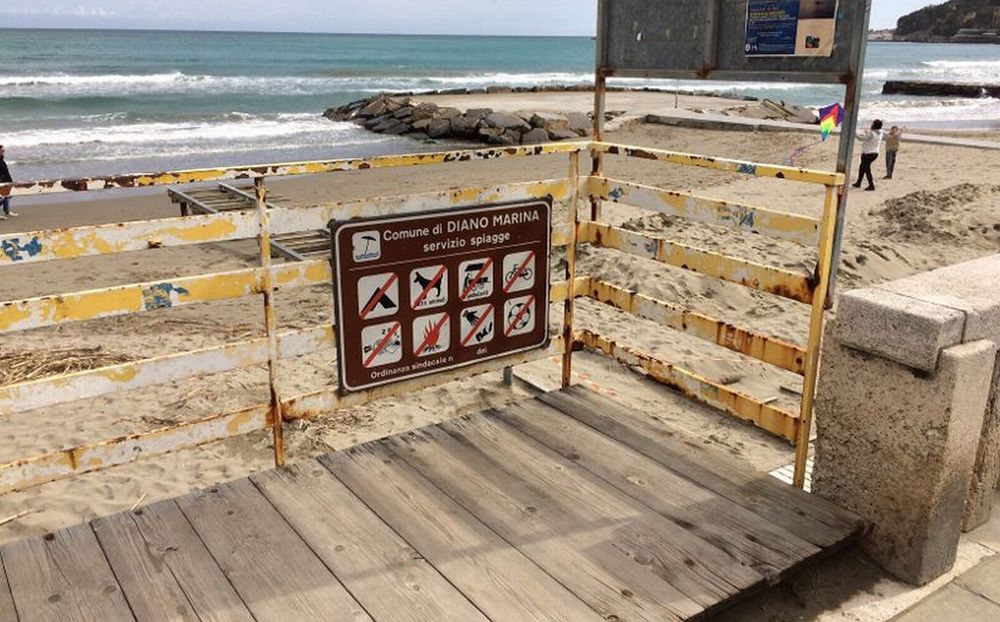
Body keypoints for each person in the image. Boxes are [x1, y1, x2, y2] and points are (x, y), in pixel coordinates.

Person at [852, 119, 884, 191]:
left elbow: (861, 138)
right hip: (875, 153)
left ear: (874, 125)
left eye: (872, 124)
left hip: (868, 153)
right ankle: (858, 182)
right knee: (862, 167)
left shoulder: (872, 133)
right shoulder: (881, 132)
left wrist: (855, 133)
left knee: (866, 169)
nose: (871, 125)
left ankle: (871, 185)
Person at [0, 145, 16, 220]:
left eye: (4, 151)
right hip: (1, 182)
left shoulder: (1, 160)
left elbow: (6, 172)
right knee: (2, 197)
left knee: (8, 195)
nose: (3, 152)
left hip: (6, 180)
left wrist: (10, 181)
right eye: (2, 151)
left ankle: (7, 211)